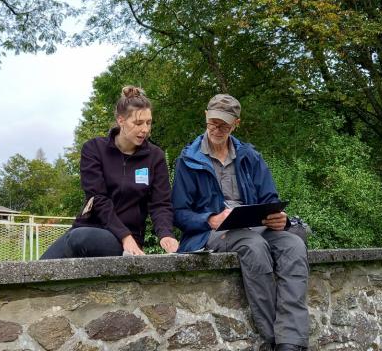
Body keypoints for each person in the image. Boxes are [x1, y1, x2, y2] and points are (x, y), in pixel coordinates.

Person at [172, 94, 309, 351]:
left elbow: (270, 199)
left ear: (237, 123)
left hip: (253, 225)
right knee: (253, 245)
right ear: (205, 117)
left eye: (224, 124)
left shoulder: (250, 156)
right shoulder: (187, 160)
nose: (216, 129)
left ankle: (291, 339)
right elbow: (179, 213)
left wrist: (278, 218)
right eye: (212, 122)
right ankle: (274, 339)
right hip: (212, 232)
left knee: (293, 245)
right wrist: (209, 219)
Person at [40, 86, 178, 259]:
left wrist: (165, 234)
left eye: (148, 122)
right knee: (48, 260)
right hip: (93, 230)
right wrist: (124, 236)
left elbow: (160, 204)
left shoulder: (155, 156)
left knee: (79, 238)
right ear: (121, 120)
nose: (145, 129)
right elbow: (98, 199)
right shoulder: (93, 149)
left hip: (129, 240)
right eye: (138, 123)